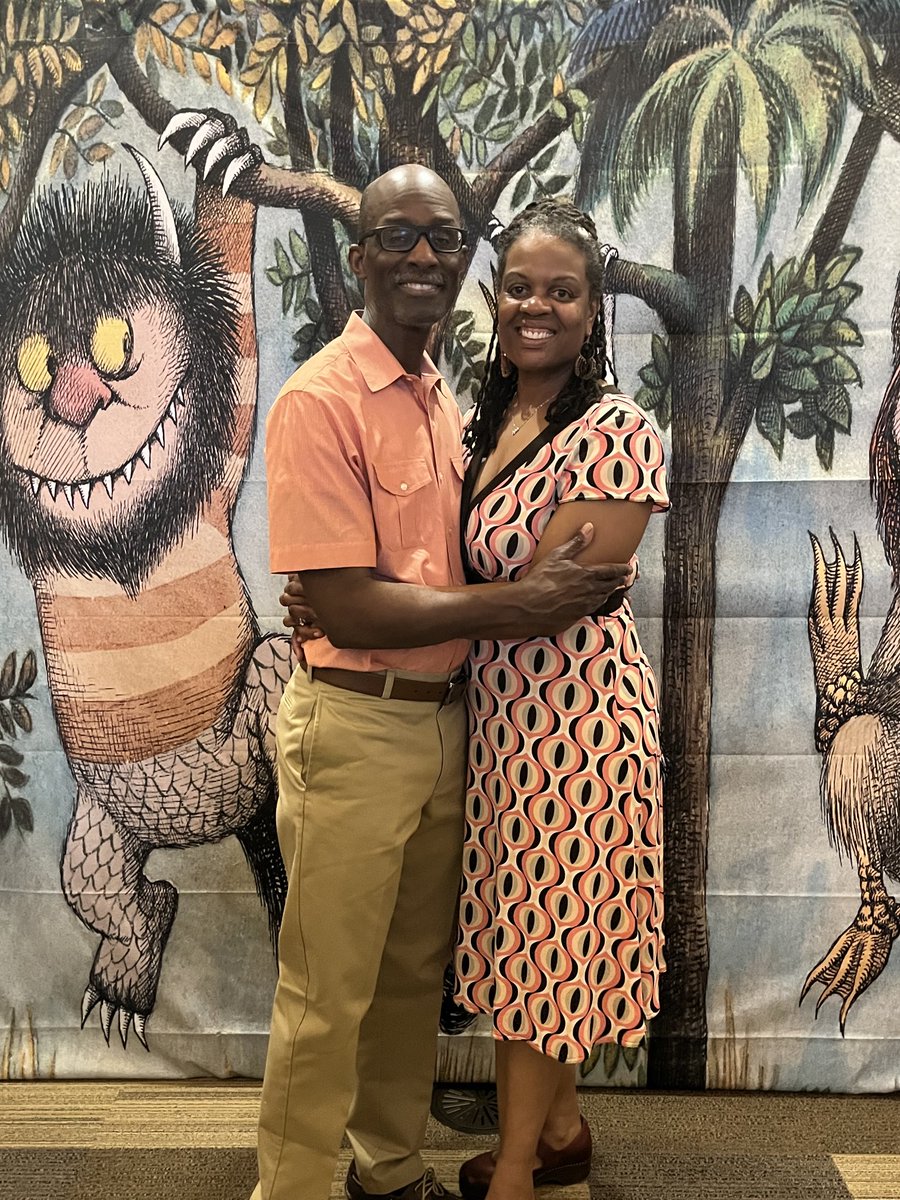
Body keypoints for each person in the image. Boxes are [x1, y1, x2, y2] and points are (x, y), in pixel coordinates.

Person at [258, 165, 633, 1200]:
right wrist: (493, 608)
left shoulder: (447, 404)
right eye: (397, 237)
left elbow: (426, 568)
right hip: (354, 726)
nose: (423, 256)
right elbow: (361, 605)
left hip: (451, 727)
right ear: (359, 255)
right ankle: (288, 1187)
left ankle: (388, 1169)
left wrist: (353, 597)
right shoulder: (319, 400)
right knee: (327, 991)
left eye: (442, 238)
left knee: (410, 983)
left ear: (463, 259)